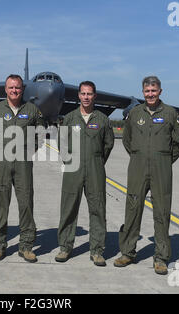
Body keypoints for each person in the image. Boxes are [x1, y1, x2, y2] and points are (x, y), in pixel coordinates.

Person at [114, 76, 179, 275]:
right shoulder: (134, 113)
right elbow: (127, 139)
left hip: (161, 167)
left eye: (154, 91)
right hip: (137, 167)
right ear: (143, 92)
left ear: (160, 91)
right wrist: (139, 156)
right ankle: (127, 252)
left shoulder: (171, 114)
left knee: (162, 211)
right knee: (132, 207)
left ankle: (161, 257)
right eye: (147, 91)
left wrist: (164, 159)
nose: (151, 94)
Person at [0, 74, 45, 263]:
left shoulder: (32, 110)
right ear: (5, 89)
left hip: (23, 163)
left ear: (22, 89)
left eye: (17, 88)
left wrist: (31, 149)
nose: (14, 91)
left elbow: (41, 132)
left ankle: (26, 246)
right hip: (0, 163)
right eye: (11, 88)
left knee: (26, 204)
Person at [55, 81, 115, 266]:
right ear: (79, 96)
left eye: (89, 94)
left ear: (94, 96)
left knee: (97, 209)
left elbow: (108, 145)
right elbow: (62, 144)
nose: (86, 97)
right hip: (73, 167)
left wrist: (96, 161)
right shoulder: (70, 118)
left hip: (95, 168)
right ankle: (65, 247)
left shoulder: (102, 120)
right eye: (83, 94)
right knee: (68, 208)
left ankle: (97, 250)